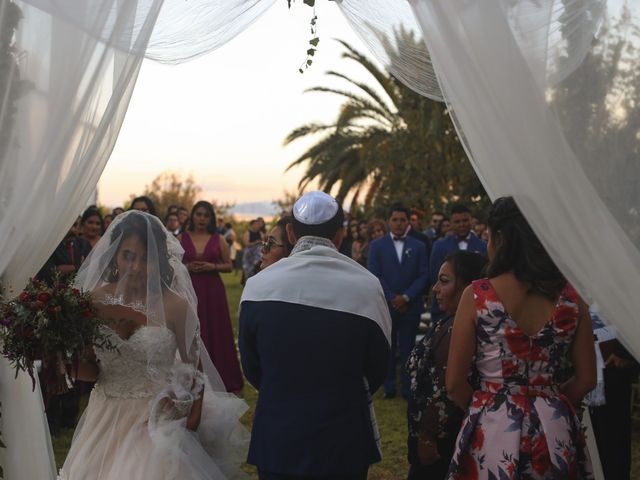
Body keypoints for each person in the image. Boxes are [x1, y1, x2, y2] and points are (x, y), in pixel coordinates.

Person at [60, 210, 249, 480]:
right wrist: (65, 363)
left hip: (156, 418)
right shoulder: (94, 301)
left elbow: (192, 365)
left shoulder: (174, 305)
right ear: (114, 255)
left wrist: (190, 418)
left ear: (159, 258)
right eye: (128, 256)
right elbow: (93, 371)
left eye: (145, 258)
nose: (136, 267)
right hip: (105, 415)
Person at [239, 191, 391, 480]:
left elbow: (252, 367)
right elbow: (377, 367)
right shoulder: (368, 287)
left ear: (292, 233)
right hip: (343, 437)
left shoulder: (258, 286)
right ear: (341, 235)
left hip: (279, 436)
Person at [445, 196, 596, 479]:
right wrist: (549, 400)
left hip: (493, 427)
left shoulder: (478, 295)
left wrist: (488, 405)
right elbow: (587, 379)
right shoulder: (572, 299)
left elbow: (454, 383)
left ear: (500, 238)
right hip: (555, 426)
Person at [406, 251, 487, 480]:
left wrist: (427, 438)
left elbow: (443, 388)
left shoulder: (456, 329)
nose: (435, 289)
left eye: (444, 281)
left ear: (467, 287)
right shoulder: (451, 321)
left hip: (442, 445)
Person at [179, 201, 244, 394]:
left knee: (215, 330)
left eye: (206, 215)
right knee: (191, 329)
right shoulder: (182, 237)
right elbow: (172, 262)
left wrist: (212, 267)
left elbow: (229, 265)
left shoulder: (218, 239)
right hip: (189, 288)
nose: (202, 219)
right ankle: (189, 375)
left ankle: (220, 375)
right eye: (199, 214)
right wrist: (186, 267)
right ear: (193, 216)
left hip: (212, 291)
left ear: (211, 218)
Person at [368, 205, 429, 399]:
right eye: (395, 219)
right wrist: (391, 297)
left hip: (410, 306)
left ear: (408, 222)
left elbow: (423, 275)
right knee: (388, 348)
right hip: (386, 306)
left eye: (403, 220)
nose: (399, 223)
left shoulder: (418, 246)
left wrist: (407, 297)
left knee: (408, 348)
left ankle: (407, 387)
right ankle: (389, 387)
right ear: (389, 221)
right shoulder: (377, 246)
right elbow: (374, 274)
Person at [429, 205, 486, 323]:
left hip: (477, 308)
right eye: (457, 221)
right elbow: (435, 276)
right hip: (445, 311)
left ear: (471, 220)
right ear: (451, 223)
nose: (462, 224)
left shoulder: (483, 246)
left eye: (465, 220)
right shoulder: (439, 246)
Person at [241, 219, 265, 283]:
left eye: (258, 224)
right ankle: (247, 282)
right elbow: (246, 244)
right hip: (249, 253)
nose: (257, 225)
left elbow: (263, 242)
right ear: (252, 225)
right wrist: (255, 242)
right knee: (248, 269)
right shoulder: (247, 233)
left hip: (257, 253)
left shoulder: (260, 233)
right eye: (256, 224)